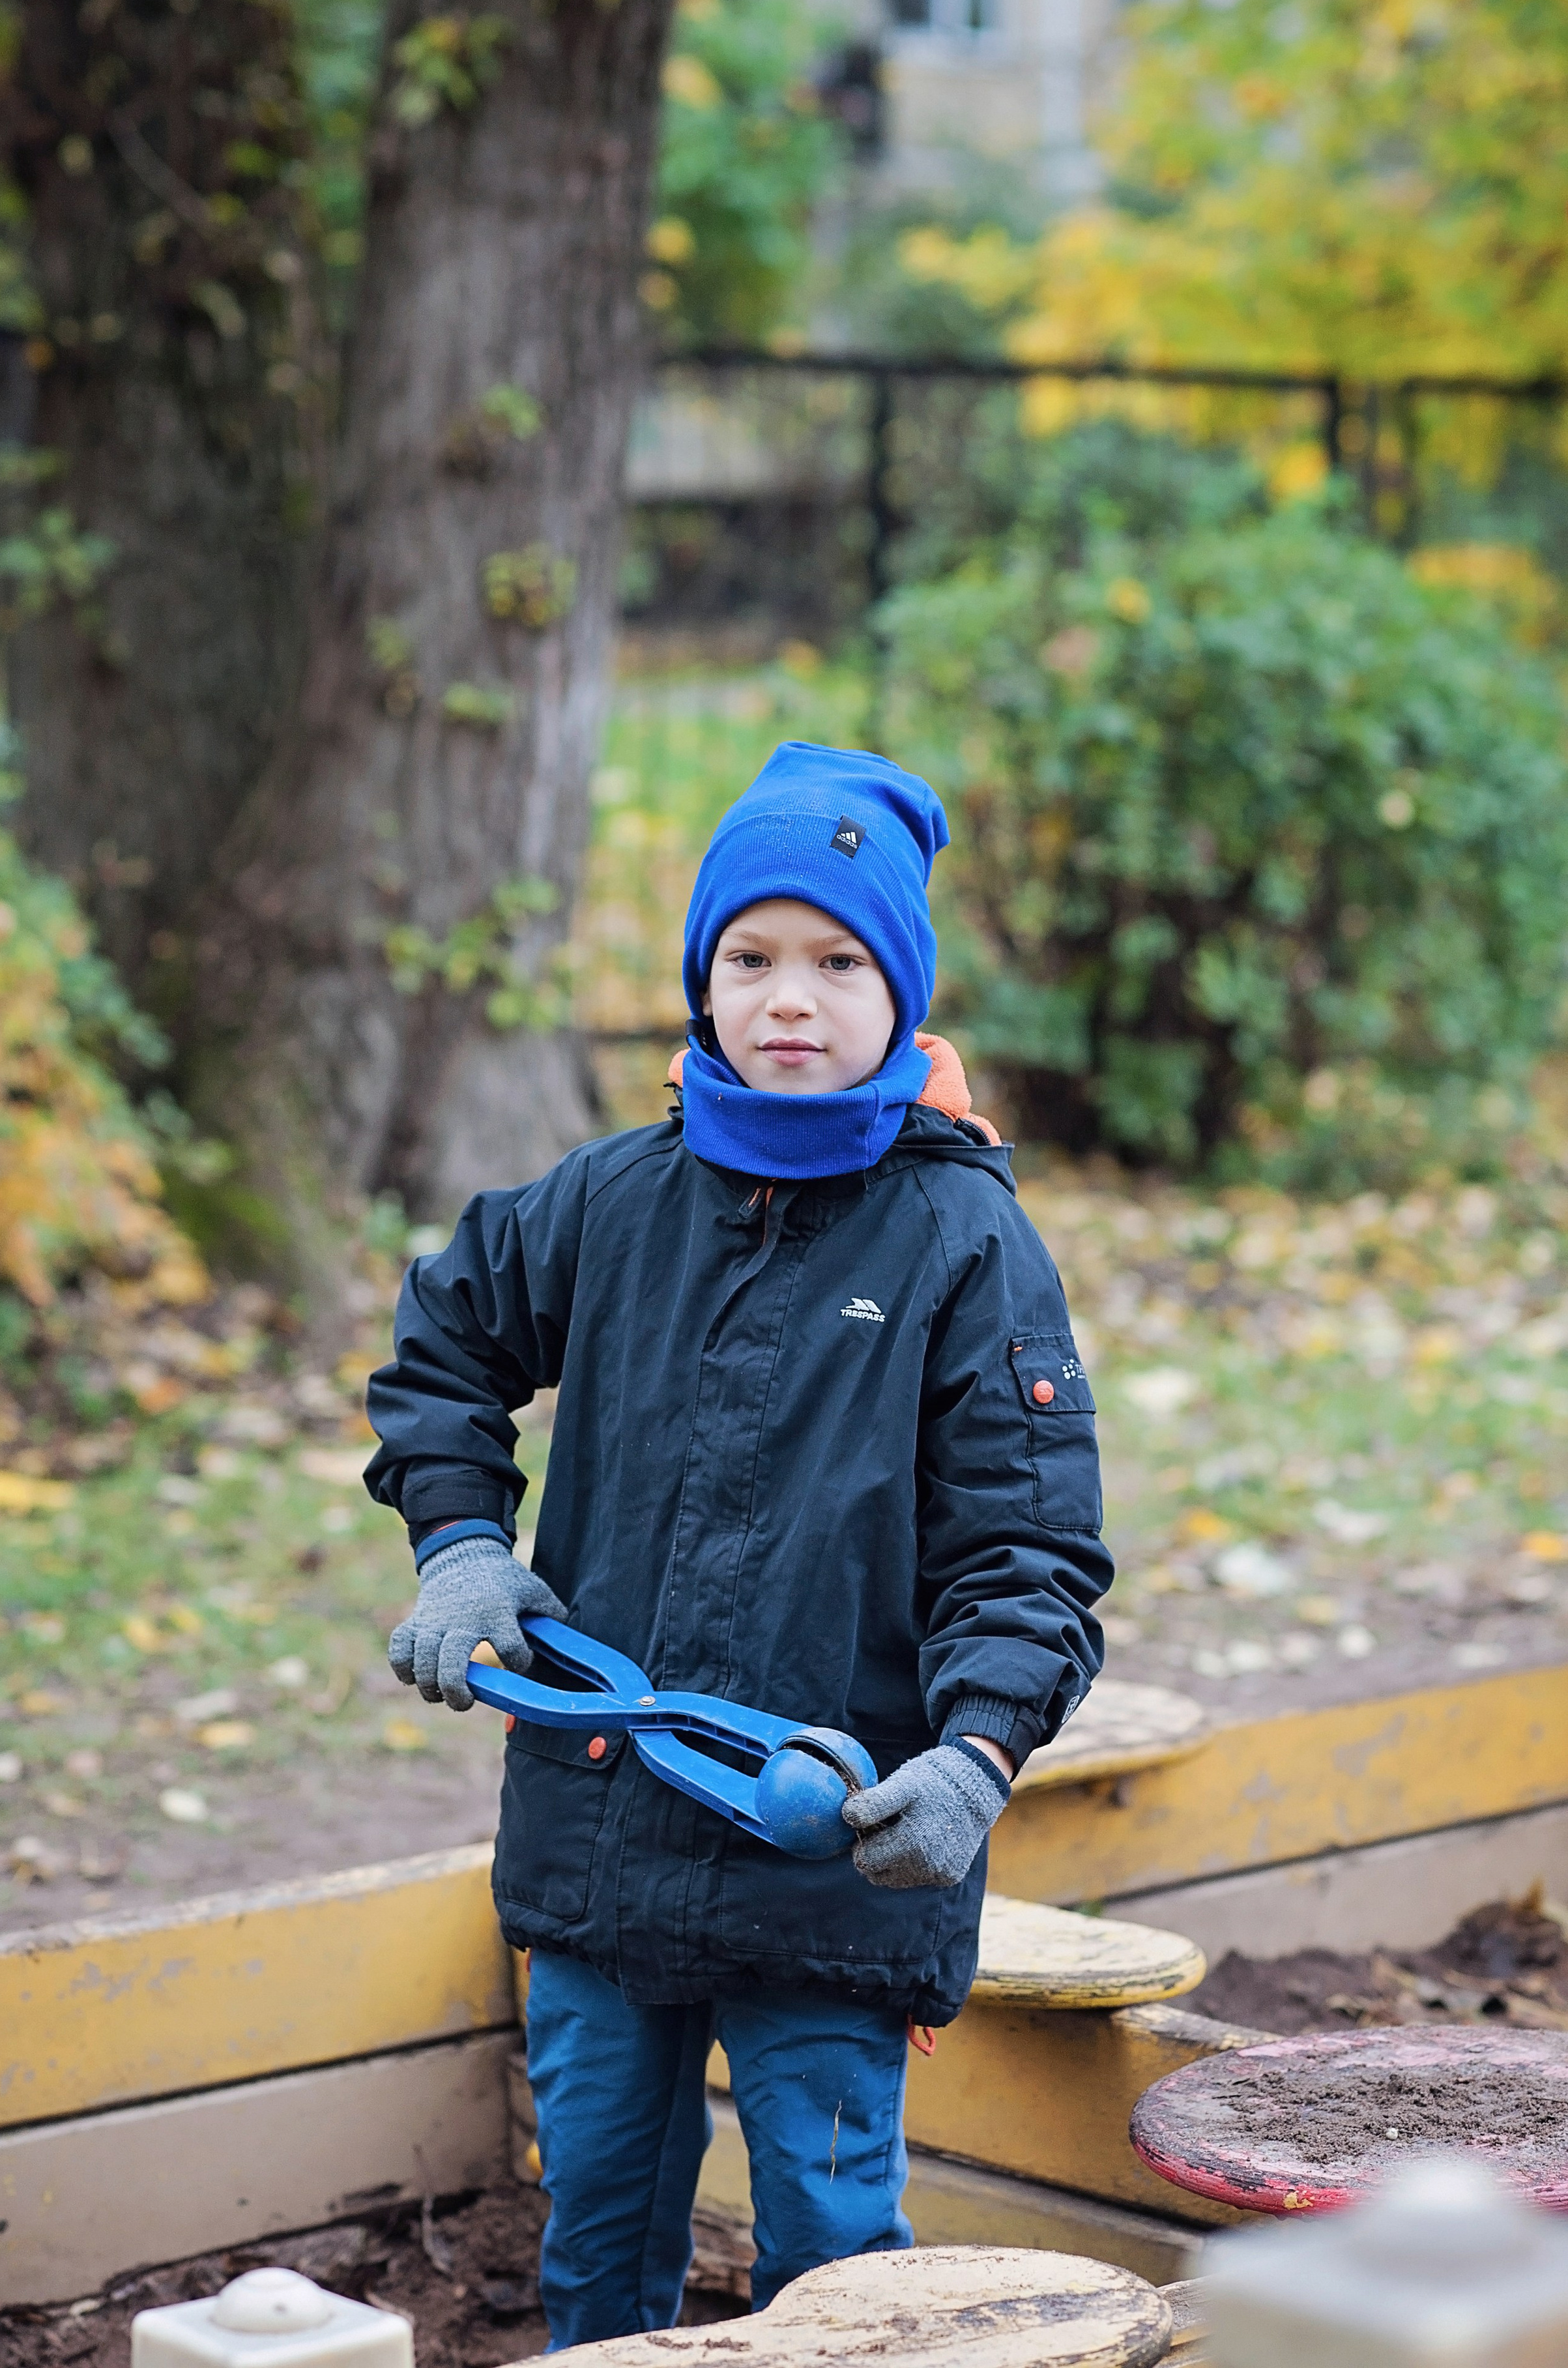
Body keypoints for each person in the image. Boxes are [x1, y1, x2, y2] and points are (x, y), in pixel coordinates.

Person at [366, 743, 1111, 2350]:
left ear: (899, 995)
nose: (790, 996)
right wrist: (460, 1545)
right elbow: (444, 1343)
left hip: (830, 1859)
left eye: (838, 961)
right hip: (594, 1842)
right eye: (749, 956)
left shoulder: (962, 1241)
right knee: (597, 2231)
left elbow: (1027, 1542)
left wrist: (978, 1753)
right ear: (700, 982)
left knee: (836, 2260)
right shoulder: (609, 1200)